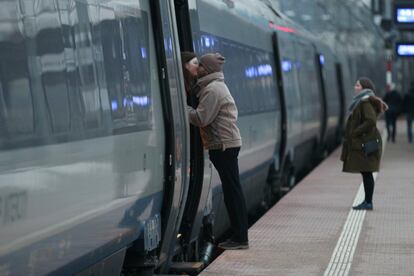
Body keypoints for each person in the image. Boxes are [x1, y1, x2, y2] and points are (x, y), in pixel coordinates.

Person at [185, 52, 249, 250]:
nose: (198, 68)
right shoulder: (212, 87)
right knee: (232, 190)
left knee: (232, 192)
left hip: (224, 145)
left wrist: (182, 109)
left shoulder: (213, 89)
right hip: (224, 144)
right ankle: (239, 235)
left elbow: (202, 118)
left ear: (208, 70)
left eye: (201, 66)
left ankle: (240, 237)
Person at [340, 77, 388, 210]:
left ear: (364, 88)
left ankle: (368, 202)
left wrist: (355, 131)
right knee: (366, 172)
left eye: (357, 85)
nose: (355, 87)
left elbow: (370, 121)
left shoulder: (365, 102)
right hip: (366, 142)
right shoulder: (361, 102)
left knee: (367, 173)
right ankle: (367, 201)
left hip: (366, 143)